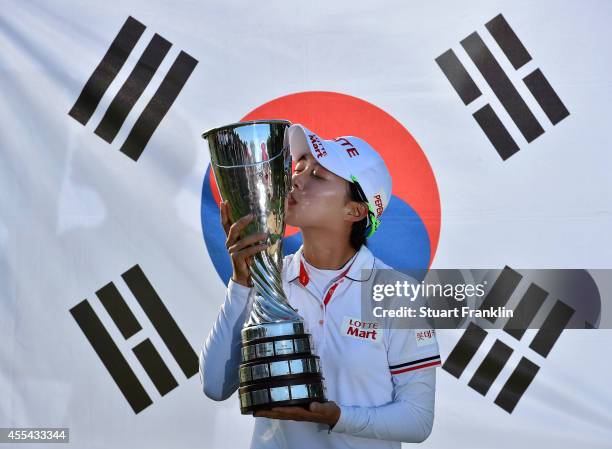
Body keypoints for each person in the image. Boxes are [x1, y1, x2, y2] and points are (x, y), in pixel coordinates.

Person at [199, 124, 441, 449]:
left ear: (354, 210)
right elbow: (215, 386)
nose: (295, 179)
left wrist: (336, 417)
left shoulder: (396, 294)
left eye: (318, 176)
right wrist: (241, 282)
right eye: (298, 168)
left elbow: (417, 419)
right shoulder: (267, 278)